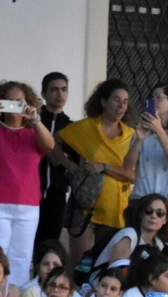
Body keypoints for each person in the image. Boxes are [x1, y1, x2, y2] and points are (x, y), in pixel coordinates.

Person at [0, 80, 55, 290]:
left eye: (19, 101)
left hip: (28, 207)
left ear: (28, 103)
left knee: (21, 259)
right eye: (8, 100)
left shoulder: (33, 132)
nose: (13, 105)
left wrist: (35, 119)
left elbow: (49, 145)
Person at [59, 79, 139, 270]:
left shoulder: (131, 135)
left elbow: (131, 175)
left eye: (125, 101)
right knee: (79, 266)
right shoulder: (85, 128)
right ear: (103, 102)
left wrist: (104, 167)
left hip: (115, 208)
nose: (121, 106)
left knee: (104, 267)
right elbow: (51, 143)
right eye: (116, 100)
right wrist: (70, 166)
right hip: (85, 206)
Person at [91, 194, 168, 283]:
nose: (153, 216)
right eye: (148, 211)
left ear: (165, 220)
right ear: (141, 214)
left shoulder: (158, 244)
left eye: (160, 213)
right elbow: (115, 274)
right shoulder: (129, 235)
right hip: (101, 288)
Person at [37, 72, 75, 247]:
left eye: (64, 89)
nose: (60, 94)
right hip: (31, 192)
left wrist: (64, 159)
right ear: (44, 94)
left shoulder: (72, 127)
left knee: (50, 245)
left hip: (57, 194)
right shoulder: (34, 121)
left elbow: (76, 164)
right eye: (54, 89)